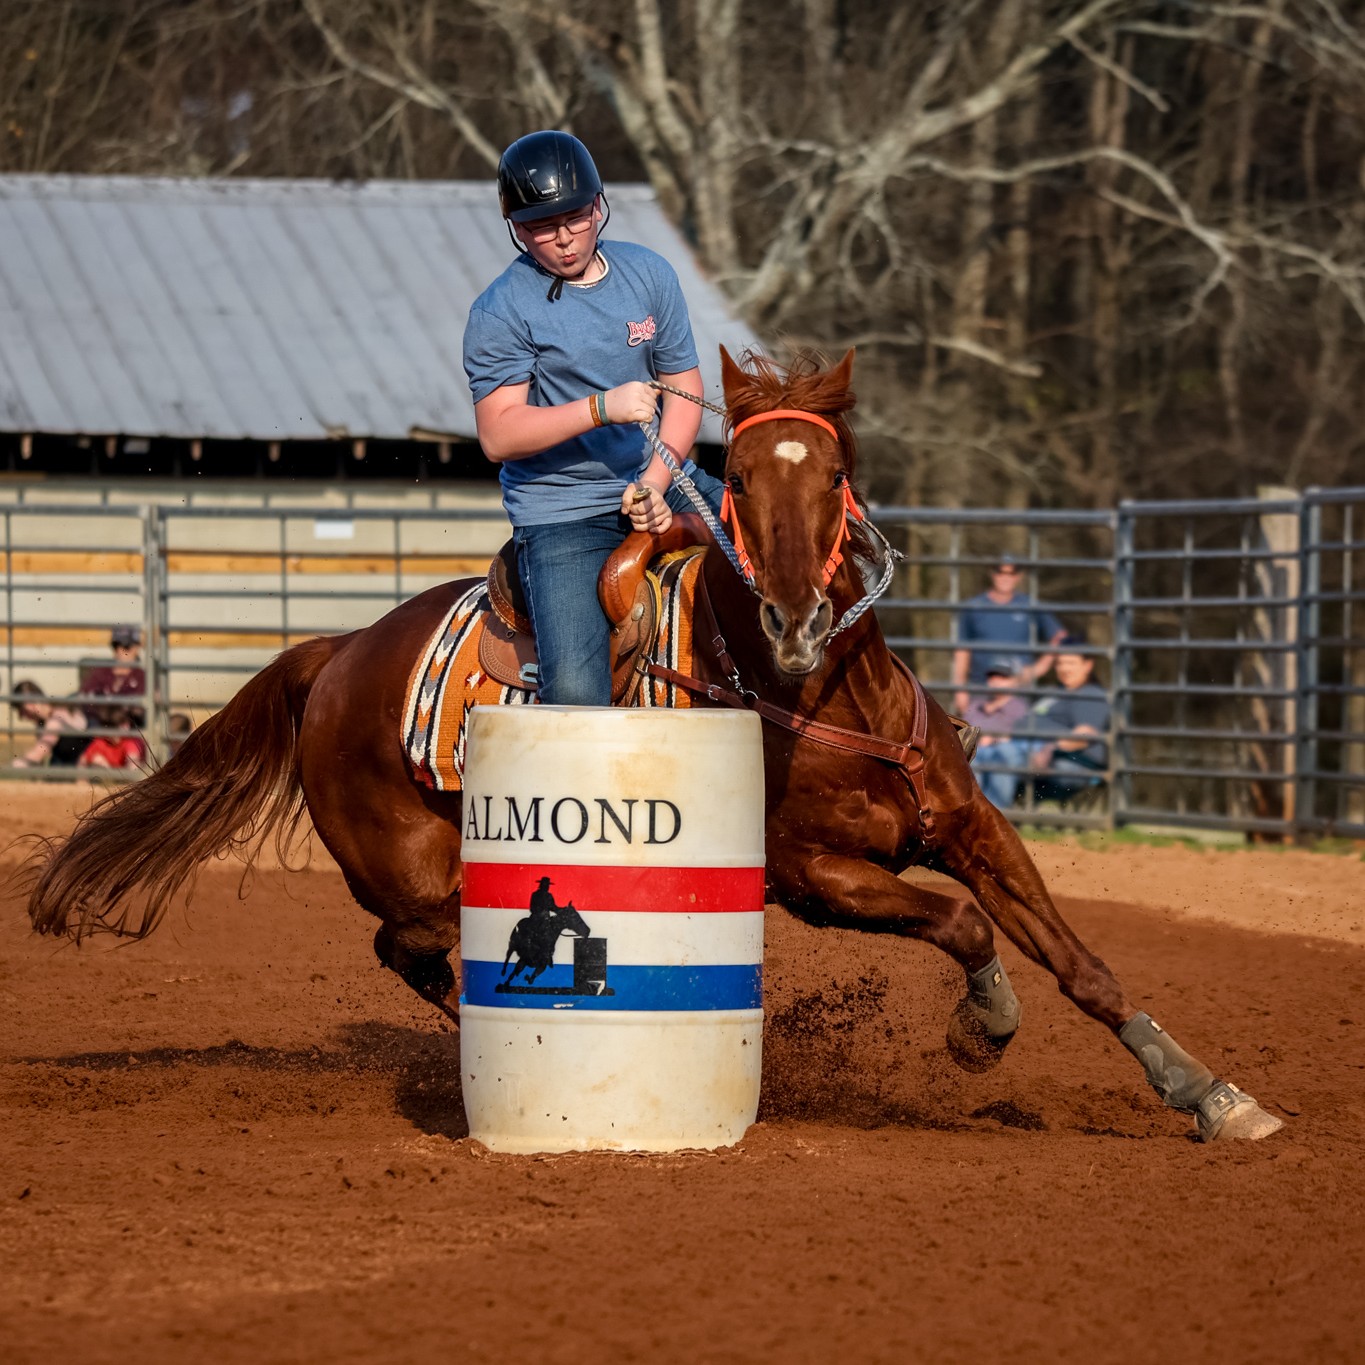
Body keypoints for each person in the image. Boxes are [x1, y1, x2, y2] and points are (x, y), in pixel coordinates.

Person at [463, 129, 724, 706]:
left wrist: (655, 484)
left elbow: (685, 389)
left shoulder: (649, 274)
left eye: (575, 217)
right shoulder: (501, 310)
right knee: (579, 695)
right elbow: (499, 433)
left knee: (788, 549)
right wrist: (601, 408)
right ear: (514, 227)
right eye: (540, 226)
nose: (562, 238)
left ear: (599, 205)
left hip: (659, 481)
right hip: (563, 511)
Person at [976, 635, 1110, 808]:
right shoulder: (1054, 693)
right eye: (1060, 663)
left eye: (1070, 663)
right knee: (978, 755)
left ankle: (992, 821)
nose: (1063, 668)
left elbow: (1085, 735)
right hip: (1024, 748)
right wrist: (1000, 738)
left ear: (1087, 665)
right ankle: (969, 818)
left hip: (1065, 761)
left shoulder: (1089, 695)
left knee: (1003, 755)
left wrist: (1051, 748)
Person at [951, 555, 1067, 716]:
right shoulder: (973, 607)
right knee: (977, 738)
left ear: (1019, 576)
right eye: (1000, 572)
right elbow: (962, 652)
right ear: (992, 574)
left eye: (1011, 573)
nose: (1005, 577)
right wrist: (960, 690)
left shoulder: (1030, 605)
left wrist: (1037, 669)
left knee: (1016, 739)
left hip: (1018, 693)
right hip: (980, 691)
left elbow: (1059, 637)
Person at [8, 680, 90, 767]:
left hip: (81, 764)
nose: (21, 716)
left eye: (21, 709)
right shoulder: (42, 722)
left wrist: (13, 766)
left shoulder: (58, 716)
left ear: (31, 702)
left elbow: (39, 753)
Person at [83, 624, 147, 727]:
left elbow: (140, 709)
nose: (119, 651)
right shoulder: (101, 672)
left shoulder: (142, 676)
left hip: (127, 729)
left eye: (126, 646)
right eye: (116, 646)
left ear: (137, 648)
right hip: (101, 725)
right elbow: (86, 698)